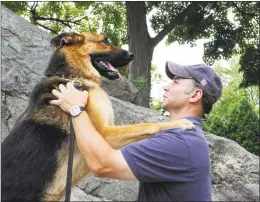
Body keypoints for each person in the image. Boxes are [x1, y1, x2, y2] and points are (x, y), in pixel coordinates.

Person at [50, 61, 222, 201]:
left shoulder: (181, 141)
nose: (166, 87)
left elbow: (102, 164)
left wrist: (76, 109)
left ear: (195, 95)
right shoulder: (186, 137)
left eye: (176, 81)